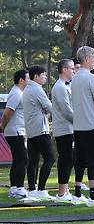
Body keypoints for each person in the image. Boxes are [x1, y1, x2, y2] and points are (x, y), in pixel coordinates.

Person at [71, 46, 94, 205]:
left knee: (80, 159)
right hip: (91, 124)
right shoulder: (91, 78)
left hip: (78, 125)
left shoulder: (74, 78)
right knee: (93, 159)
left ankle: (77, 192)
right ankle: (93, 195)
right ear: (88, 58)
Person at [23, 66, 55, 199]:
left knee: (33, 160)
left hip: (31, 130)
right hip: (40, 130)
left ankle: (32, 189)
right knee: (50, 158)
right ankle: (41, 189)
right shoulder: (36, 89)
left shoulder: (27, 89)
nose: (45, 77)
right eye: (43, 75)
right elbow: (49, 107)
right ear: (36, 76)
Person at [0, 70, 29, 199]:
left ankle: (14, 188)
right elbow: (7, 113)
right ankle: (19, 188)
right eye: (28, 78)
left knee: (18, 160)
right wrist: (2, 126)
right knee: (23, 159)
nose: (30, 80)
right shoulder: (16, 93)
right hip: (16, 131)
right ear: (21, 80)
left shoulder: (20, 92)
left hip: (17, 131)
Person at [51, 59, 76, 202]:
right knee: (65, 159)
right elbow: (66, 111)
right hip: (64, 129)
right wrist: (80, 122)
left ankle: (65, 191)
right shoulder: (60, 87)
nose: (74, 71)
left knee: (69, 159)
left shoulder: (65, 86)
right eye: (72, 69)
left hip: (68, 128)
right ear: (65, 69)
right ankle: (61, 193)